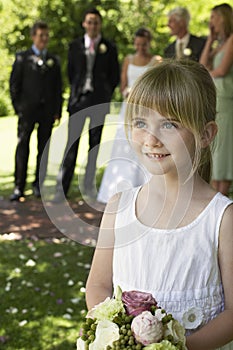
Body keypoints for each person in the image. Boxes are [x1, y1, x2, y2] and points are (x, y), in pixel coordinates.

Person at [85, 60, 233, 349]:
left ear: (205, 134)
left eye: (169, 124)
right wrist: (112, 334)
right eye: (141, 122)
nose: (151, 139)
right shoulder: (119, 207)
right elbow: (98, 285)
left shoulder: (222, 219)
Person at [53, 7, 120, 202]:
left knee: (94, 145)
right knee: (71, 144)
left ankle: (88, 187)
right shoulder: (74, 46)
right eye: (89, 22)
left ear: (100, 25)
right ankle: (62, 189)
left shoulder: (110, 47)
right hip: (78, 101)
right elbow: (71, 72)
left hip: (99, 101)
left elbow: (114, 75)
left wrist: (105, 91)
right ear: (84, 24)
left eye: (96, 22)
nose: (92, 25)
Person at [97, 28, 161, 204]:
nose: (140, 48)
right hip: (129, 109)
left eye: (144, 44)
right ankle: (120, 188)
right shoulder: (128, 60)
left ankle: (147, 189)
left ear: (149, 43)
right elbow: (123, 85)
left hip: (148, 109)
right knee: (124, 145)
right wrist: (127, 92)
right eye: (138, 44)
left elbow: (157, 86)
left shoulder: (156, 61)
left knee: (145, 144)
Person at [9, 21, 62, 201]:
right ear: (33, 36)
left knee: (43, 148)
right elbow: (14, 85)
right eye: (41, 35)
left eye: (46, 35)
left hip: (47, 112)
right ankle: (19, 186)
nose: (44, 39)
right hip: (27, 112)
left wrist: (57, 110)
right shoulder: (22, 58)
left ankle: (38, 185)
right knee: (23, 146)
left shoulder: (54, 61)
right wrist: (19, 109)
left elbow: (57, 88)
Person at [200, 3, 233, 197]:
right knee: (216, 150)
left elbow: (221, 71)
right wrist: (210, 39)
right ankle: (216, 198)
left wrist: (203, 77)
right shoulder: (220, 43)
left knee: (223, 153)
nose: (211, 21)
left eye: (213, 17)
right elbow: (203, 64)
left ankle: (221, 200)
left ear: (223, 18)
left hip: (227, 102)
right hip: (216, 100)